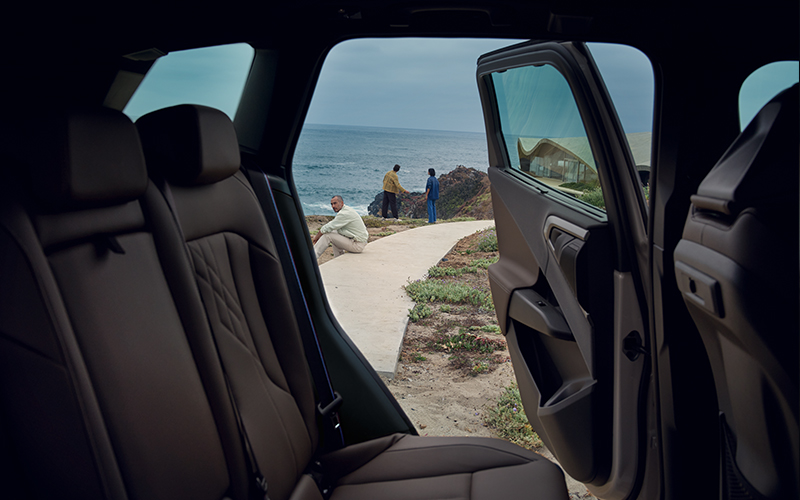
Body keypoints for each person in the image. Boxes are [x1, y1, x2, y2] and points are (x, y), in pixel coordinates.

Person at [313, 195, 369, 260]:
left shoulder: (344, 213)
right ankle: (339, 258)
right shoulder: (346, 210)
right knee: (333, 233)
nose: (333, 206)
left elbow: (328, 227)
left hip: (357, 245)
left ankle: (311, 259)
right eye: (331, 204)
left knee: (328, 235)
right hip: (357, 242)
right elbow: (331, 227)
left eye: (335, 203)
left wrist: (317, 237)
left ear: (341, 203)